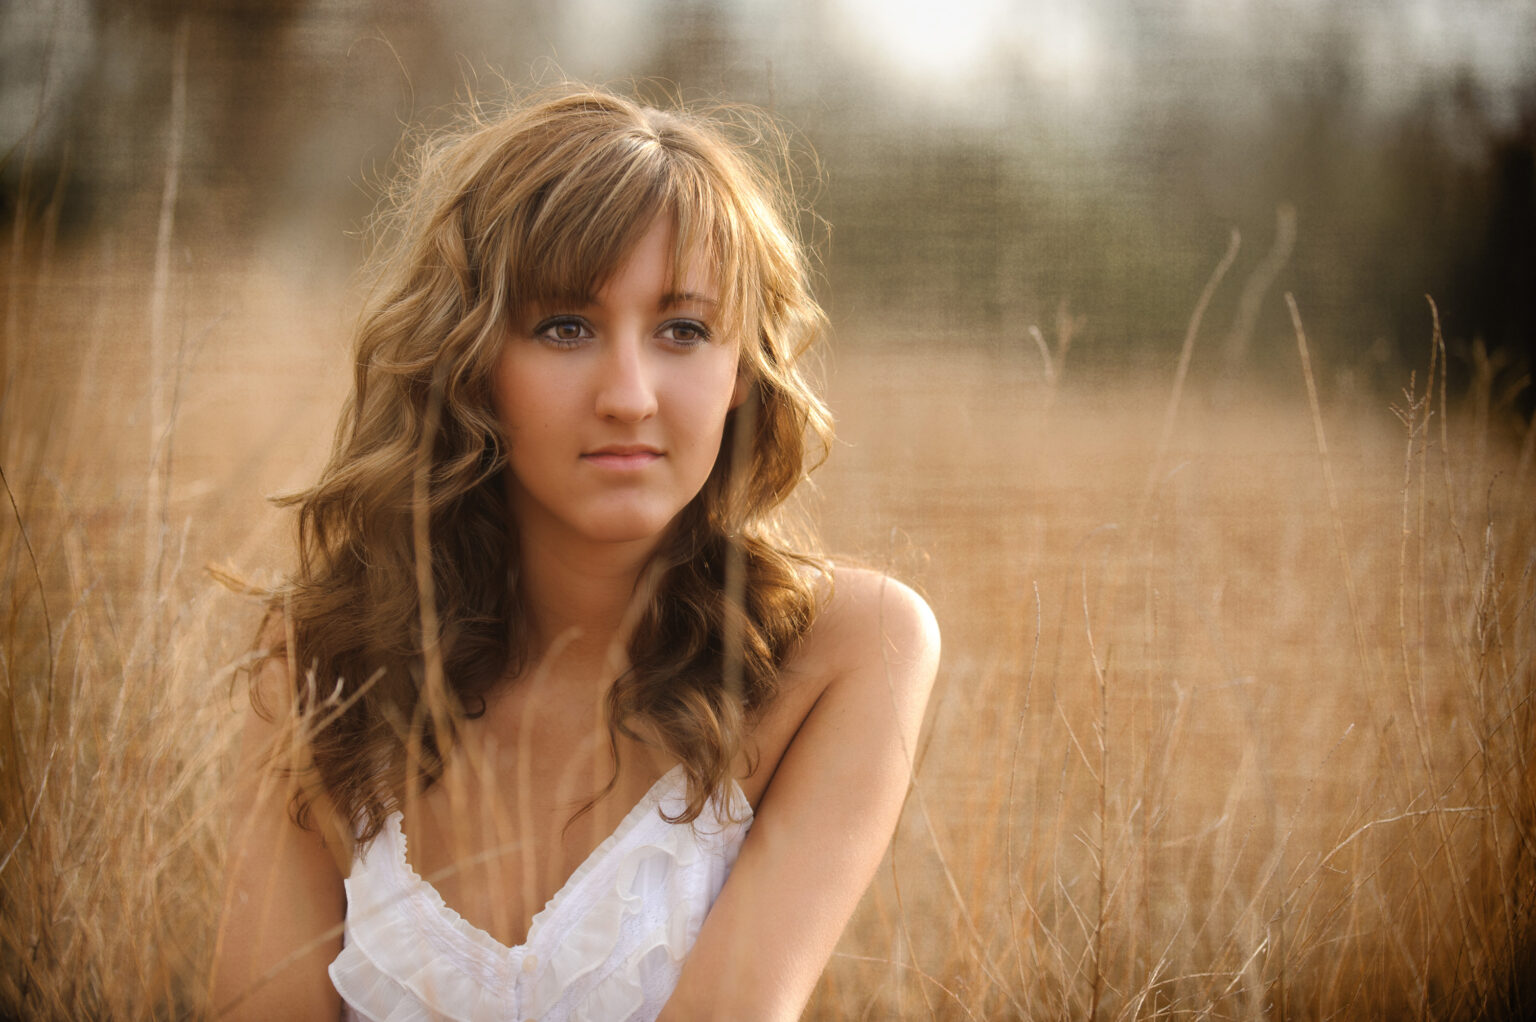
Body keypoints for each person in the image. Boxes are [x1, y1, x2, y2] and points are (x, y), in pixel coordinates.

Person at [212, 85, 939, 1022]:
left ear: (740, 372)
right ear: (468, 358)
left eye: (683, 329)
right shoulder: (322, 657)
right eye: (566, 327)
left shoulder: (848, 650)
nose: (630, 394)